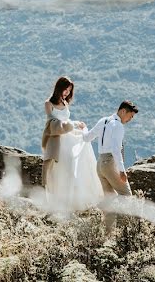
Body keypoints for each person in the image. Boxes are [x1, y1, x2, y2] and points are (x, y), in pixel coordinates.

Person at [40, 76, 103, 211]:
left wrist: (76, 123)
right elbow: (54, 123)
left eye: (69, 90)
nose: (67, 93)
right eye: (66, 89)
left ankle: (78, 198)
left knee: (79, 153)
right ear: (59, 87)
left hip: (68, 136)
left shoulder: (65, 102)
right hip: (58, 138)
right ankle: (59, 201)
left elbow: (66, 120)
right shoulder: (48, 104)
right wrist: (70, 125)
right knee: (60, 168)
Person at [82, 100, 139, 234]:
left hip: (100, 163)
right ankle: (124, 231)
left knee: (109, 199)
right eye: (130, 116)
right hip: (110, 162)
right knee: (126, 194)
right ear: (123, 111)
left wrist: (82, 128)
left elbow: (87, 138)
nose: (130, 120)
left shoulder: (103, 121)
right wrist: (122, 170)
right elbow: (115, 149)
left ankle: (108, 233)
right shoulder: (118, 126)